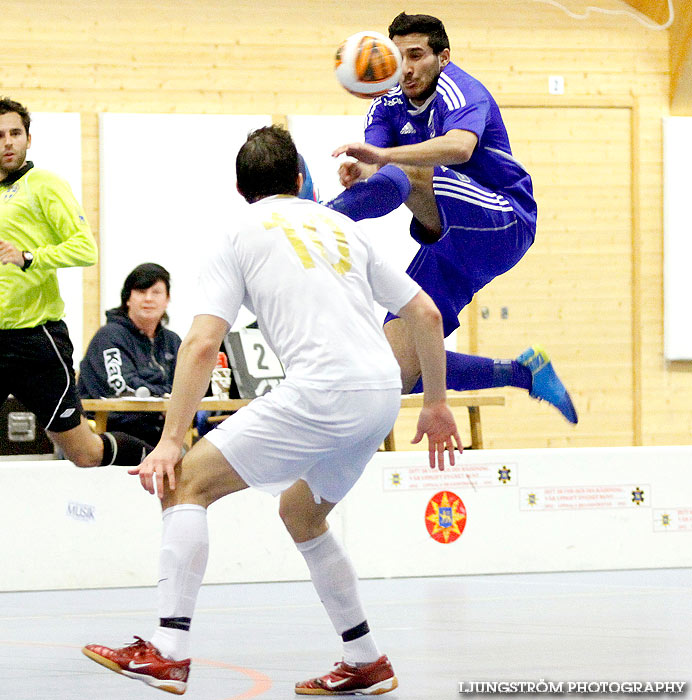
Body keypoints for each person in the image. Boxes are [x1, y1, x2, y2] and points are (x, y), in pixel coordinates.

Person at [82, 125, 461, 696]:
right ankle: (365, 658)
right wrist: (435, 403)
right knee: (302, 515)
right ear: (301, 179)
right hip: (380, 393)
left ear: (239, 188)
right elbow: (428, 316)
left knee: (183, 483)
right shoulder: (341, 227)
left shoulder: (237, 232)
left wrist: (168, 440)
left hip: (322, 391)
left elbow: (203, 343)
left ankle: (167, 650)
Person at [328, 13, 578, 424]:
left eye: (417, 55)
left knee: (410, 171)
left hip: (504, 219)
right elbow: (377, 163)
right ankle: (523, 373)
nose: (405, 68)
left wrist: (382, 163)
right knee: (396, 372)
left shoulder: (461, 89)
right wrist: (360, 171)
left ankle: (317, 220)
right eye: (398, 55)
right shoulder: (386, 103)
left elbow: (459, 148)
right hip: (448, 239)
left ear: (443, 57)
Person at [0, 97, 153, 467]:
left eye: (15, 133)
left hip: (35, 342)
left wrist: (30, 257)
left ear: (29, 139)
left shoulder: (44, 185)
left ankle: (155, 461)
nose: (7, 142)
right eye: (0, 135)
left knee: (84, 454)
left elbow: (85, 249)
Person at [78, 263, 182, 446]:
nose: (148, 299)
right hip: (112, 433)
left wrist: (162, 394)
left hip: (160, 432)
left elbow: (187, 386)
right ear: (128, 299)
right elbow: (122, 388)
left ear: (167, 299)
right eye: (141, 292)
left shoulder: (172, 341)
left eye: (156, 292)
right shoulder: (109, 337)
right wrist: (165, 395)